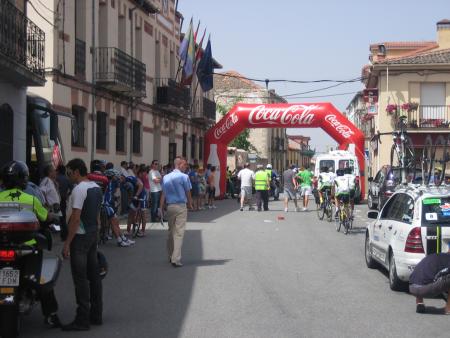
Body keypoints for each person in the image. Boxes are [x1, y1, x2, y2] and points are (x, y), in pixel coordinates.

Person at [0, 161, 61, 328]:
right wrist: (54, 217)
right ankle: (50, 315)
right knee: (42, 280)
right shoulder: (31, 199)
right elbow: (46, 217)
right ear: (24, 180)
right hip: (26, 247)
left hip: (2, 246)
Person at [62, 158, 103, 331]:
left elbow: (76, 218)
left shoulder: (79, 190)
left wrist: (66, 244)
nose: (68, 176)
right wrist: (98, 233)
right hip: (93, 234)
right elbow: (98, 215)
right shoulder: (96, 187)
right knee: (94, 276)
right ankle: (96, 315)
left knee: (80, 279)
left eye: (69, 173)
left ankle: (82, 319)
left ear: (77, 171)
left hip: (80, 237)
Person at [160, 157, 193, 267]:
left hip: (170, 206)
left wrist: (161, 207)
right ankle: (176, 258)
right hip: (181, 206)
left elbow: (163, 194)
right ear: (179, 165)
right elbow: (188, 192)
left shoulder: (166, 177)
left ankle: (170, 255)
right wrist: (190, 203)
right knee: (179, 233)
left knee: (171, 231)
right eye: (184, 164)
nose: (186, 166)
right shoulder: (184, 177)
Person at [103, 169, 135, 247]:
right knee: (114, 223)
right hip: (108, 204)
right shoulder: (109, 183)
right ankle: (119, 240)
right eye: (115, 176)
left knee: (116, 222)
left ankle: (123, 238)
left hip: (111, 204)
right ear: (111, 176)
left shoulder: (113, 182)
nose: (117, 177)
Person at [56, 164, 72, 240]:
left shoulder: (56, 178)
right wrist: (67, 195)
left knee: (57, 216)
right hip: (63, 199)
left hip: (55, 199)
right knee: (63, 217)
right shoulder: (67, 179)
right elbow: (72, 189)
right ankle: (64, 233)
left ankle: (60, 231)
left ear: (58, 171)